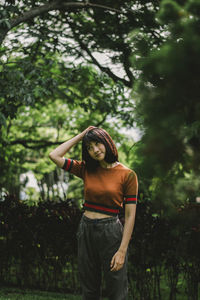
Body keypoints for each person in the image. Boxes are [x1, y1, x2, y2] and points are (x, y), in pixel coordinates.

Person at [49, 126, 138, 300]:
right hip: (86, 230)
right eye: (89, 147)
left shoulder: (128, 175)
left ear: (107, 142)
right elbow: (54, 155)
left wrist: (122, 250)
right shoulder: (86, 169)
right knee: (89, 290)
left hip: (111, 233)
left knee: (116, 290)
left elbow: (130, 215)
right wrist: (83, 135)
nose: (94, 150)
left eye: (97, 143)